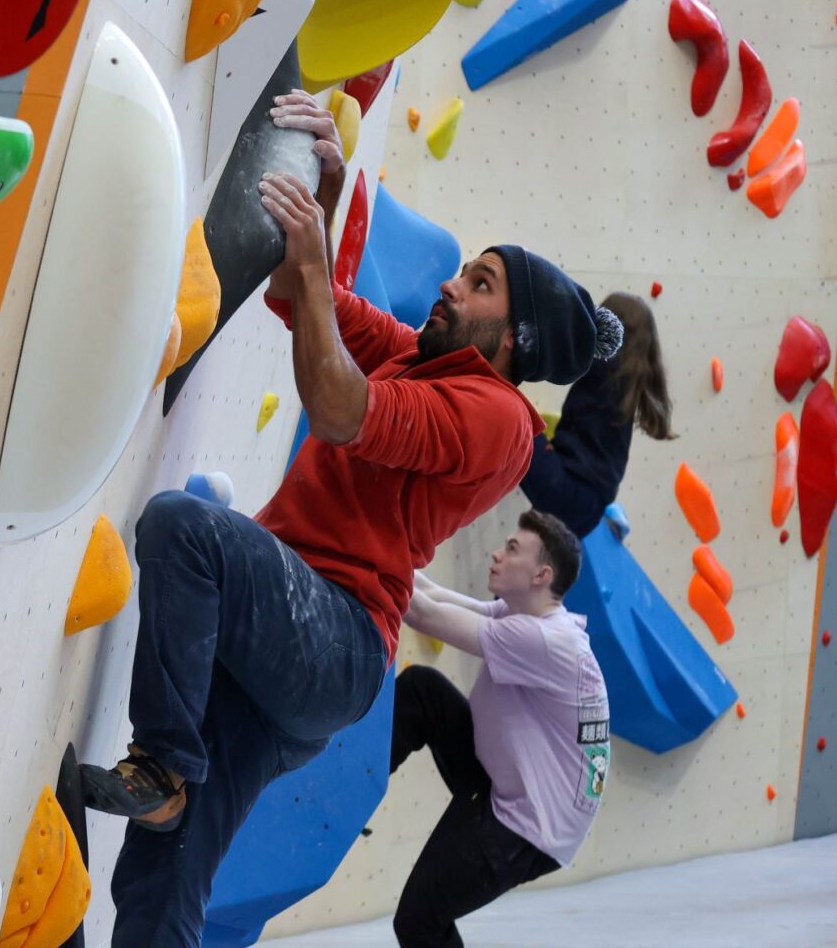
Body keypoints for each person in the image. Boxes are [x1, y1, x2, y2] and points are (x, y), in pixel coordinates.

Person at [79, 90, 624, 946]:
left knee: (182, 530)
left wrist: (317, 245)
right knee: (160, 881)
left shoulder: (499, 420)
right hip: (284, 647)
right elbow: (307, 301)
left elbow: (336, 407)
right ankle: (171, 789)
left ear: (513, 339)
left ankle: (167, 767)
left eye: (478, 284)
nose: (451, 283)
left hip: (332, 640)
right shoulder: (420, 353)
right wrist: (327, 189)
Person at [392, 511, 611, 947]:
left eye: (512, 550)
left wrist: (368, 543)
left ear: (540, 575)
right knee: (424, 690)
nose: (496, 553)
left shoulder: (544, 640)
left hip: (530, 826)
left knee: (419, 920)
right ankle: (345, 777)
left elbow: (423, 615)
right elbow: (433, 595)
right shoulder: (523, 615)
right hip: (506, 783)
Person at [518, 291, 675, 537]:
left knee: (515, 417)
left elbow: (558, 348)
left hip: (566, 489)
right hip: (590, 511)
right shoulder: (628, 382)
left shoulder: (604, 364)